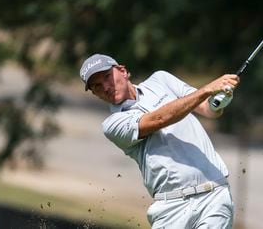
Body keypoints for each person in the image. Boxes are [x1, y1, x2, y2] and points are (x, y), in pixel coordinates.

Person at [79, 53, 239, 228]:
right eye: (97, 86)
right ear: (95, 94)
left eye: (107, 77)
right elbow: (159, 119)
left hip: (214, 195)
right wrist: (207, 89)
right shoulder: (113, 124)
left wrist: (219, 102)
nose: (106, 87)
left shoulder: (161, 80)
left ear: (123, 71)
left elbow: (207, 109)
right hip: (171, 208)